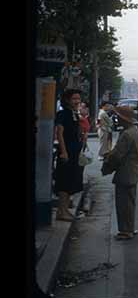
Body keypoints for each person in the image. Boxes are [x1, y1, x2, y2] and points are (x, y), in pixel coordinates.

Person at [101, 105, 138, 241]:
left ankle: (125, 230)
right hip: (133, 171)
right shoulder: (134, 131)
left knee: (123, 203)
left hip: (125, 172)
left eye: (118, 117)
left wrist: (107, 165)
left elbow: (118, 155)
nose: (117, 119)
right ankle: (129, 228)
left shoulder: (126, 134)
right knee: (130, 202)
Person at [54, 89, 85, 221]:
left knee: (71, 182)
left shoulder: (75, 114)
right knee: (64, 182)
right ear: (67, 100)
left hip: (74, 153)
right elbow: (59, 133)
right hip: (66, 153)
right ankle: (62, 211)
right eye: (74, 99)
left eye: (78, 98)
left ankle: (65, 210)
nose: (77, 101)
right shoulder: (63, 114)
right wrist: (64, 151)